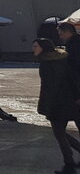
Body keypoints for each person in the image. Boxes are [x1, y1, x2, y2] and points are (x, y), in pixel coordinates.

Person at [34, 37, 80, 174]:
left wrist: (44, 106)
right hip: (69, 101)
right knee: (60, 133)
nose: (33, 49)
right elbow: (71, 79)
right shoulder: (62, 59)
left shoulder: (46, 63)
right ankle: (70, 161)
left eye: (36, 46)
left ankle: (69, 163)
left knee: (59, 134)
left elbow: (48, 88)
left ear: (44, 48)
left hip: (56, 103)